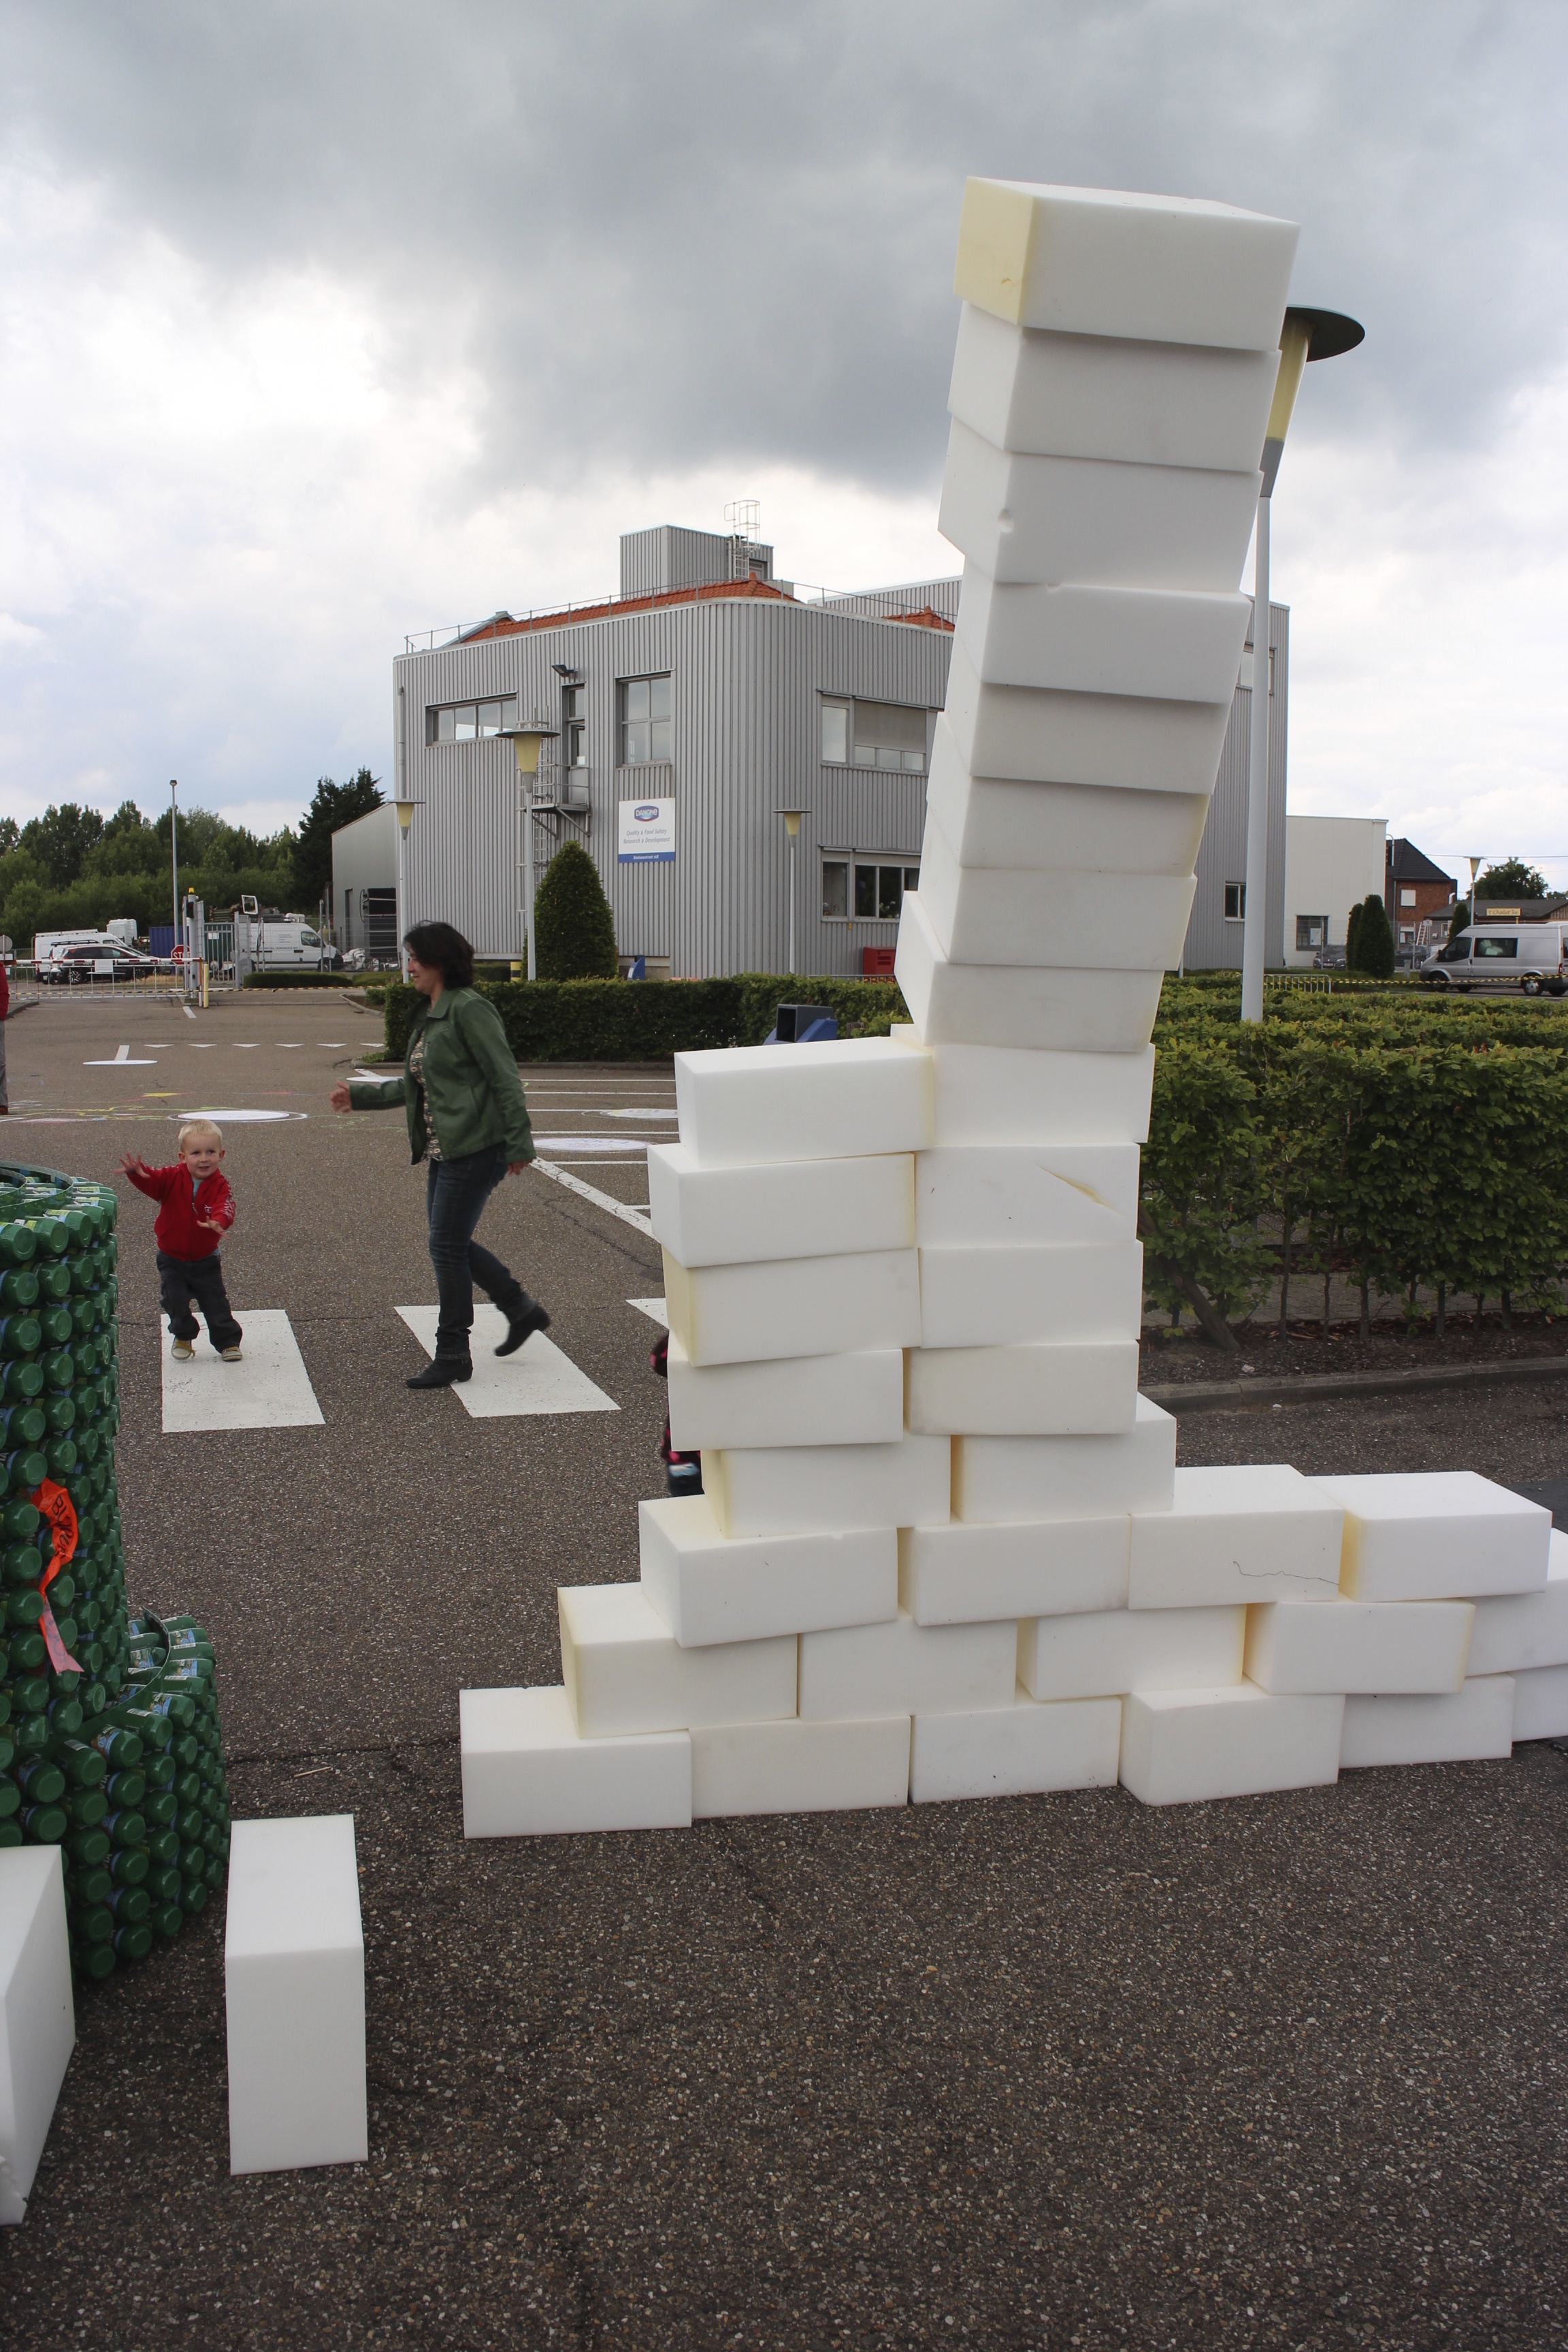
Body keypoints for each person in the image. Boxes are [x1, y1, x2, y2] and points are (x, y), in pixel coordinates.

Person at [331, 921, 549, 1388]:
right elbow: (417, 1083)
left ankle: (453, 1351)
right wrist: (360, 1095)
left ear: (439, 962)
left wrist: (518, 1143)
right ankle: (519, 1308)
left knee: (446, 1245)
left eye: (415, 958)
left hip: (476, 1146)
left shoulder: (469, 1009)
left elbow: (505, 1078)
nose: (409, 967)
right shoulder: (431, 1014)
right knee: (450, 1242)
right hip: (446, 1149)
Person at [120, 1118, 242, 1361]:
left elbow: (226, 1205)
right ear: (182, 1156)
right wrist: (137, 1174)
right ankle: (184, 1335)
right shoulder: (171, 1176)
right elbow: (152, 1180)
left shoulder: (220, 1184)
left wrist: (218, 1220)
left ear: (221, 1155)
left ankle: (228, 1341)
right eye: (196, 1153)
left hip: (205, 1258)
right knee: (173, 1300)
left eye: (210, 1152)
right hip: (171, 1257)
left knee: (215, 1303)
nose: (204, 1159)